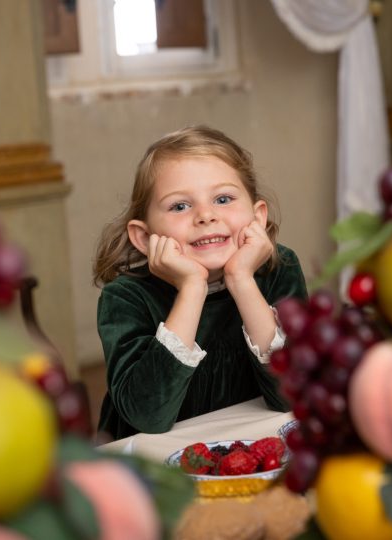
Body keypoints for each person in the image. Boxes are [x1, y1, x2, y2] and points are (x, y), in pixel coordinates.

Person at [92, 125, 307, 440]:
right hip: (155, 467)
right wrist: (192, 288)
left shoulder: (280, 268)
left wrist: (241, 279)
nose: (206, 215)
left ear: (257, 216)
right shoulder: (125, 297)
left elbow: (293, 396)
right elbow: (149, 416)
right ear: (144, 236)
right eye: (180, 206)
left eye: (223, 198)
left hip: (248, 448)